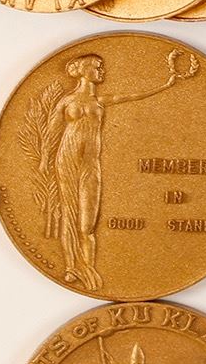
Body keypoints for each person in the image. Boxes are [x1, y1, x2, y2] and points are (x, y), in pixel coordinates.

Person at [41, 54, 191, 290]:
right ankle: (71, 267)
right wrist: (44, 160)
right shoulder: (67, 101)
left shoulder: (100, 101)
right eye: (97, 67)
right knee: (69, 213)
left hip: (90, 164)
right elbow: (52, 131)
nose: (102, 71)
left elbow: (133, 95)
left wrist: (165, 85)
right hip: (67, 159)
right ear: (83, 70)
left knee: (87, 221)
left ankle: (87, 266)